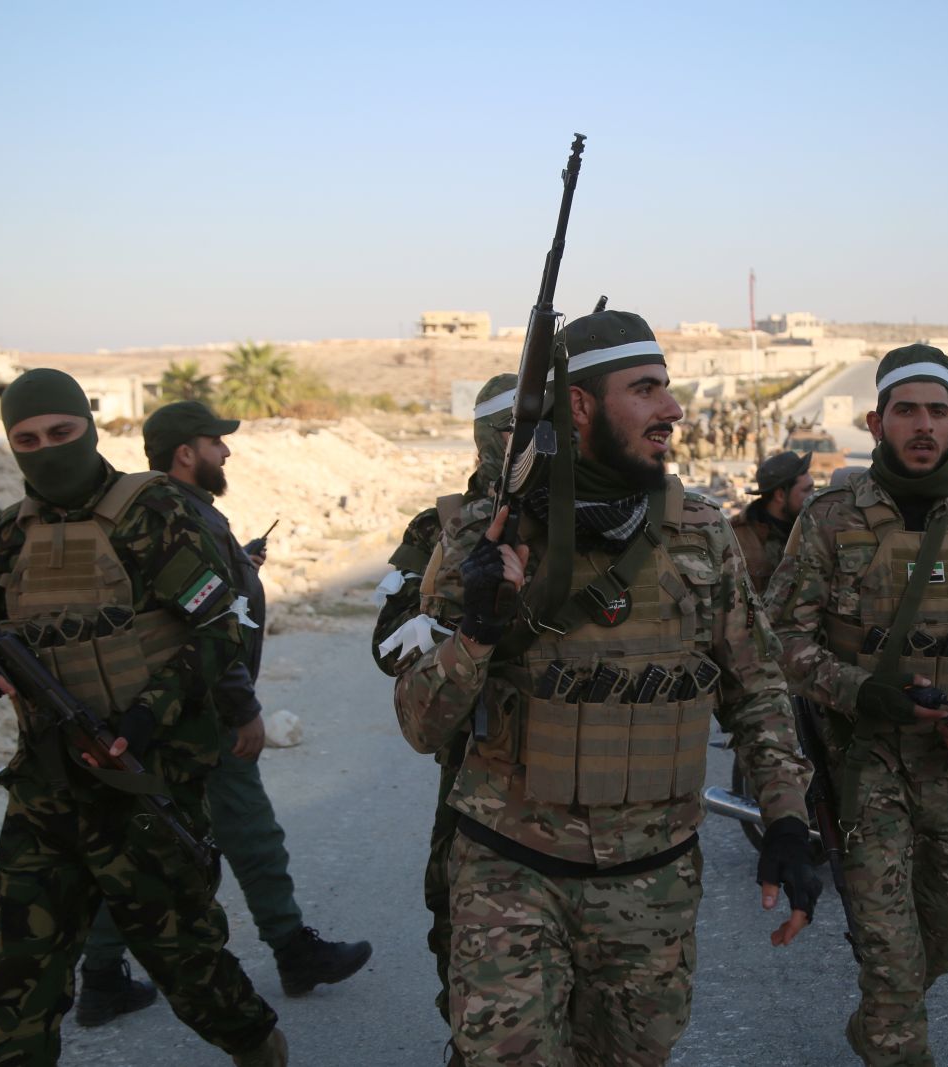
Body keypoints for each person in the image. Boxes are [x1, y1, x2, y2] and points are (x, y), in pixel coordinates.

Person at [395, 310, 820, 1067]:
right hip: (511, 870)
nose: (674, 409)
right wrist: (479, 631)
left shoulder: (699, 532)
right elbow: (424, 723)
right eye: (646, 389)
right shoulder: (489, 533)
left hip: (651, 882)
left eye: (668, 387)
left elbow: (757, 688)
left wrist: (786, 816)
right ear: (582, 406)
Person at [0, 370, 286, 1066]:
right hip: (45, 790)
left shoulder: (152, 512)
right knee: (18, 974)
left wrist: (150, 711)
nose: (46, 449)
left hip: (142, 782)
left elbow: (222, 623)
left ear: (89, 428)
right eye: (27, 438)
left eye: (61, 433)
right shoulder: (14, 532)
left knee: (190, 967)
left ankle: (258, 1046)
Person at [764, 344, 948, 1066]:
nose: (923, 425)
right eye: (906, 410)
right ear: (875, 420)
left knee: (939, 942)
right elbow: (778, 642)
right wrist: (860, 691)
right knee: (890, 964)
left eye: (937, 411)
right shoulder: (829, 519)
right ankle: (890, 1031)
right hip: (869, 769)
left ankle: (881, 1023)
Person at [72, 400, 372, 1024]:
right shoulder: (182, 516)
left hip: (154, 708)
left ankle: (101, 976)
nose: (226, 452)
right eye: (216, 442)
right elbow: (210, 629)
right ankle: (291, 951)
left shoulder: (153, 512)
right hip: (199, 709)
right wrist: (243, 712)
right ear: (186, 452)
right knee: (250, 833)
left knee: (138, 845)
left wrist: (244, 566)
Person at [371, 373, 515, 1056]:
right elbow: (387, 643)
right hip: (473, 757)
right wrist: (436, 629)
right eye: (512, 431)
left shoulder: (591, 516)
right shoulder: (440, 527)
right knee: (454, 914)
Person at [731, 450, 813, 596]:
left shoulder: (815, 529)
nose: (813, 496)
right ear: (780, 495)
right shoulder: (736, 538)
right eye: (806, 490)